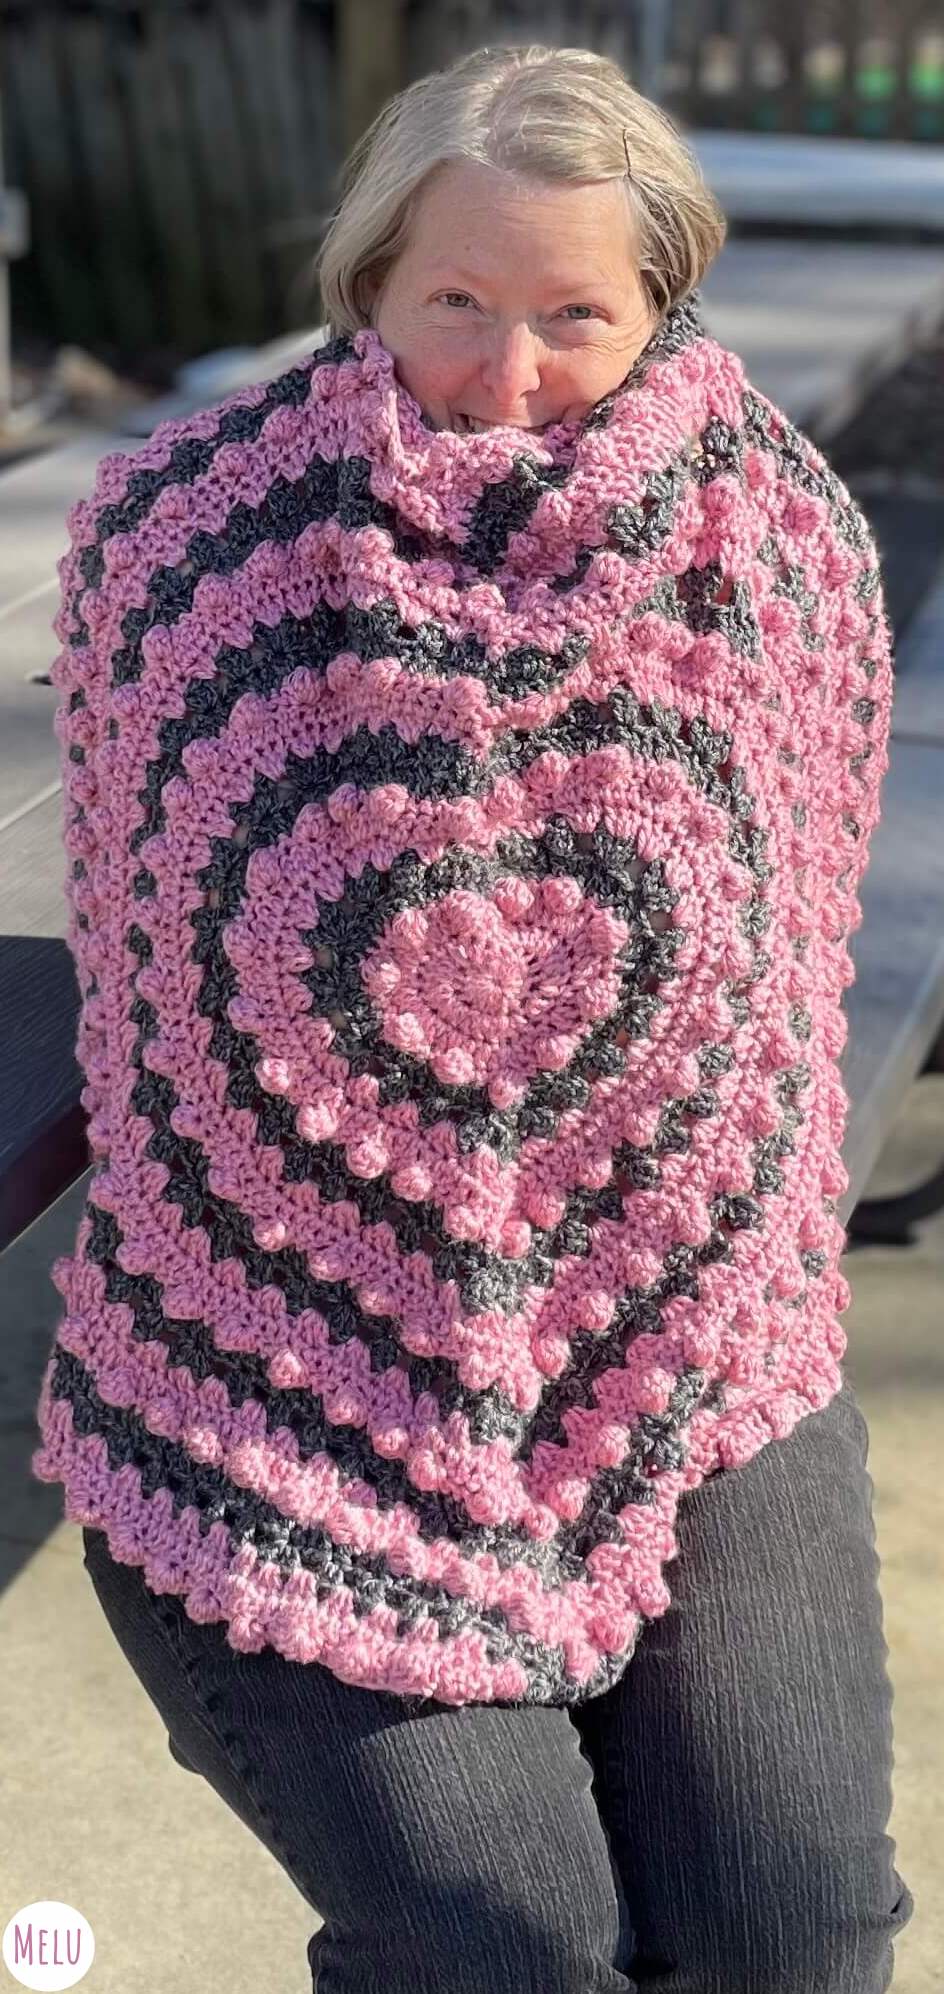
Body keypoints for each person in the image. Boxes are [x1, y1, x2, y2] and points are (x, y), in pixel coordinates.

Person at [32, 40, 914, 1994]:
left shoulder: (778, 550)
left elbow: (775, 1016)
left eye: (573, 313)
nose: (508, 373)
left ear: (661, 303)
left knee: (795, 1941)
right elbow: (175, 1016)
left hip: (692, 1348)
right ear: (367, 282)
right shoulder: (189, 541)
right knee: (499, 1950)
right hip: (282, 1382)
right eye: (456, 299)